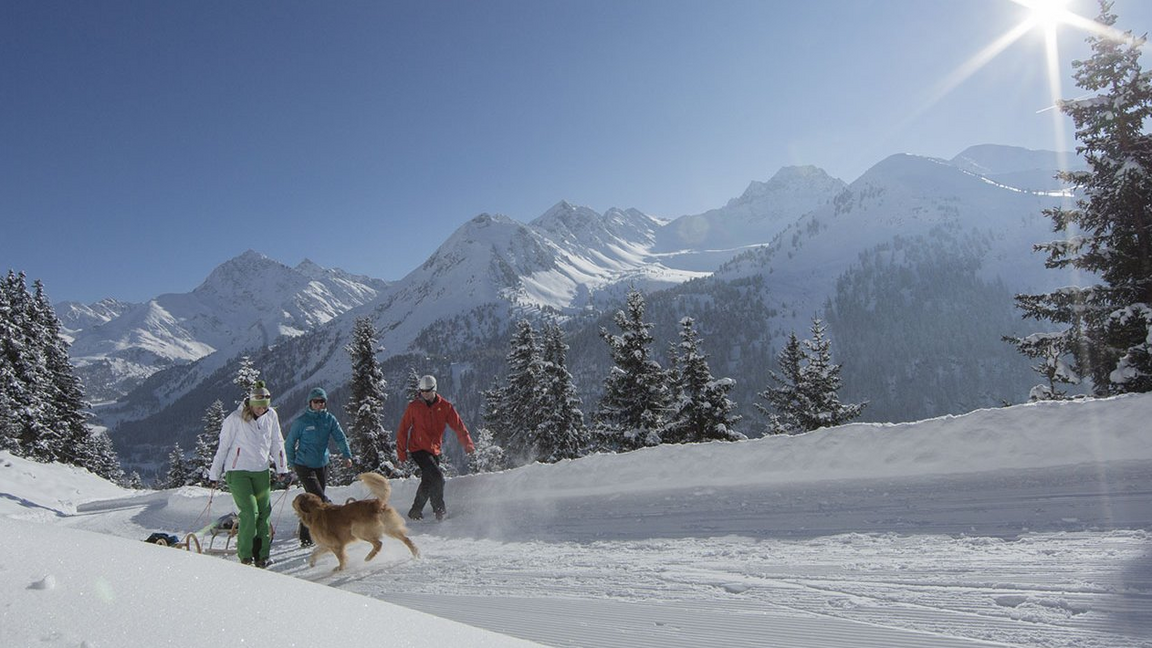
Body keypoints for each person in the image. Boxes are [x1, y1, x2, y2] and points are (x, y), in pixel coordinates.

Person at [208, 380, 290, 568]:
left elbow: (277, 442)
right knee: (249, 513)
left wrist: (282, 469)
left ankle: (262, 555)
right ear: (250, 404)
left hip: (261, 471)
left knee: (264, 513)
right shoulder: (234, 419)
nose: (261, 410)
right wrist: (214, 474)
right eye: (258, 407)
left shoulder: (271, 416)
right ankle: (245, 556)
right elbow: (223, 448)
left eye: (265, 407)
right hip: (238, 472)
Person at [396, 375, 475, 521]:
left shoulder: (445, 407)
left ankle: (415, 510)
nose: (424, 394)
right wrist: (401, 453)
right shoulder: (414, 407)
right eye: (422, 391)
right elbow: (403, 429)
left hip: (434, 449)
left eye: (428, 391)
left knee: (428, 480)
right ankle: (439, 510)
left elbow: (458, 426)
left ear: (434, 389)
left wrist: (468, 444)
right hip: (417, 448)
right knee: (438, 477)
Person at [285, 387, 353, 547]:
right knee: (318, 498)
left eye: (322, 401)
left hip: (322, 463)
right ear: (310, 403)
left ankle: (306, 537)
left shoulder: (329, 419)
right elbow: (289, 442)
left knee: (312, 502)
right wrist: (291, 462)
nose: (319, 404)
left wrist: (347, 455)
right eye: (316, 401)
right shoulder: (301, 421)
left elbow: (340, 437)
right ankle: (333, 525)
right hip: (304, 464)